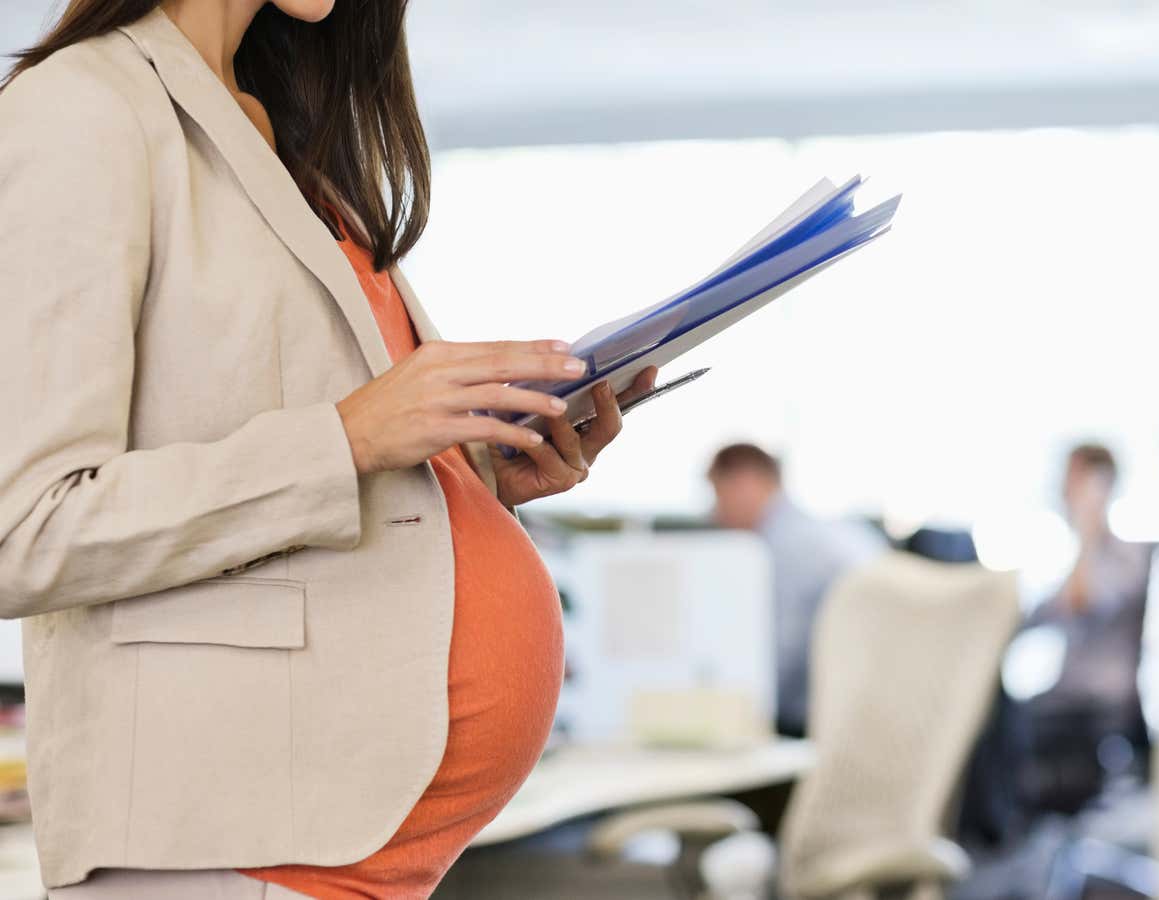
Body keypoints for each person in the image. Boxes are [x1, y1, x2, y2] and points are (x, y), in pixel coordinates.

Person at [0, 2, 658, 897]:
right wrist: (348, 438)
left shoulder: (290, 134)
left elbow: (324, 450)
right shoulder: (82, 108)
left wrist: (481, 479)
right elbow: (25, 530)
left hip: (353, 850)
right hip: (230, 849)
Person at [707, 444, 885, 738]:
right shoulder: (843, 532)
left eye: (718, 494)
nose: (716, 513)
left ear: (746, 482)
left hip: (827, 725)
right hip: (873, 711)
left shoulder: (781, 548)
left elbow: (781, 660)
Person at [1021, 443, 1152, 813]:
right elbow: (1036, 618)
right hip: (1064, 695)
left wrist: (1087, 524)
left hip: (1096, 702)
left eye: (1074, 481)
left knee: (1002, 725)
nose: (1064, 490)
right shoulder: (1076, 558)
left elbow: (1082, 603)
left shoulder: (1126, 555)